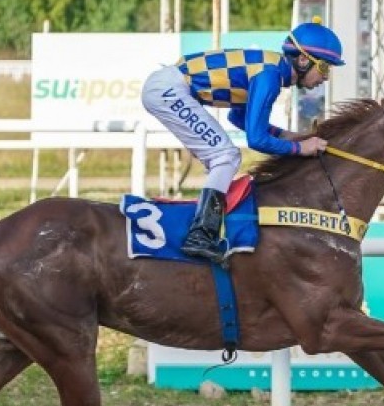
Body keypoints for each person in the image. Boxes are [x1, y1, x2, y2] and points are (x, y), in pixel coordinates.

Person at [141, 17, 344, 262]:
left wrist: (285, 135)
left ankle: (203, 227)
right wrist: (300, 148)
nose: (325, 77)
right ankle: (200, 235)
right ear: (303, 60)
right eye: (324, 67)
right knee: (225, 155)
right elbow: (256, 139)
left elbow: (238, 117)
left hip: (168, 86)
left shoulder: (271, 69)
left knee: (223, 156)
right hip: (167, 90)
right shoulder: (269, 76)